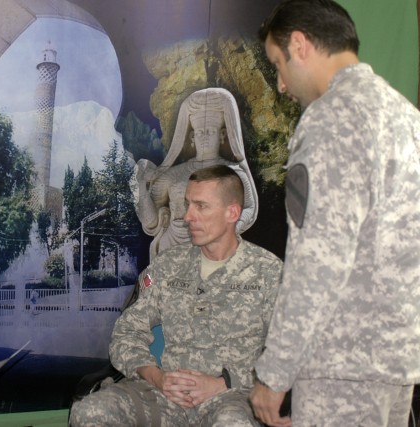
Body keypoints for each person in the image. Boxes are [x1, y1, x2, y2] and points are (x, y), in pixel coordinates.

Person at [249, 1, 420, 426]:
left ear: (300, 45)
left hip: (341, 367)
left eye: (277, 64)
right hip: (396, 362)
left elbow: (319, 262)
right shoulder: (406, 116)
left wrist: (274, 374)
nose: (282, 85)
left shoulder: (330, 121)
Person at [71, 165, 283, 426]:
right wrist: (156, 376)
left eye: (201, 206)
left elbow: (286, 351)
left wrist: (224, 382)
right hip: (164, 395)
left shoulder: (268, 272)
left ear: (232, 212)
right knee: (92, 411)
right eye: (186, 204)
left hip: (231, 397)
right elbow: (126, 334)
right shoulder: (168, 265)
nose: (187, 216)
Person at [133, 88, 258, 259]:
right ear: (191, 137)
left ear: (222, 135)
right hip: (172, 248)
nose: (204, 137)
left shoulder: (234, 173)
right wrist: (140, 184)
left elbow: (249, 207)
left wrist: (230, 229)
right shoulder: (173, 175)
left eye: (210, 132)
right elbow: (151, 221)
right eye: (199, 133)